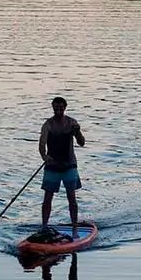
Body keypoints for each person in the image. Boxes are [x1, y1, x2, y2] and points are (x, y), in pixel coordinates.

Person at [39, 96, 86, 232]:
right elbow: (42, 143)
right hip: (52, 165)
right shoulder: (47, 125)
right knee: (47, 198)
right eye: (56, 107)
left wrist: (77, 132)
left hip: (69, 165)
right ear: (53, 108)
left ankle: (75, 227)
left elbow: (82, 143)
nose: (58, 110)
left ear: (65, 108)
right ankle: (44, 227)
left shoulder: (72, 123)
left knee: (71, 197)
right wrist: (44, 156)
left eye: (61, 107)